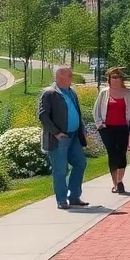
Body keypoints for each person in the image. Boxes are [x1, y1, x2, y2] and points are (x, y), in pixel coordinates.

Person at [38, 66, 90, 210]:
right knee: (60, 170)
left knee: (80, 163)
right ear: (60, 76)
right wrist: (56, 132)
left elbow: (76, 112)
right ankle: (61, 200)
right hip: (59, 138)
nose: (72, 77)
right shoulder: (49, 93)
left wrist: (82, 129)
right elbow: (43, 116)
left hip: (74, 136)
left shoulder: (71, 92)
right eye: (70, 75)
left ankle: (74, 197)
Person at [93, 67, 130, 194]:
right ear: (109, 79)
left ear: (122, 79)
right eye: (113, 77)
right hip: (107, 128)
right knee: (112, 154)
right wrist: (100, 124)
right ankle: (116, 184)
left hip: (123, 128)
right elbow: (96, 110)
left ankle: (120, 180)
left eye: (118, 77)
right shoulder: (104, 92)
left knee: (121, 154)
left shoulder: (129, 93)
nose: (115, 79)